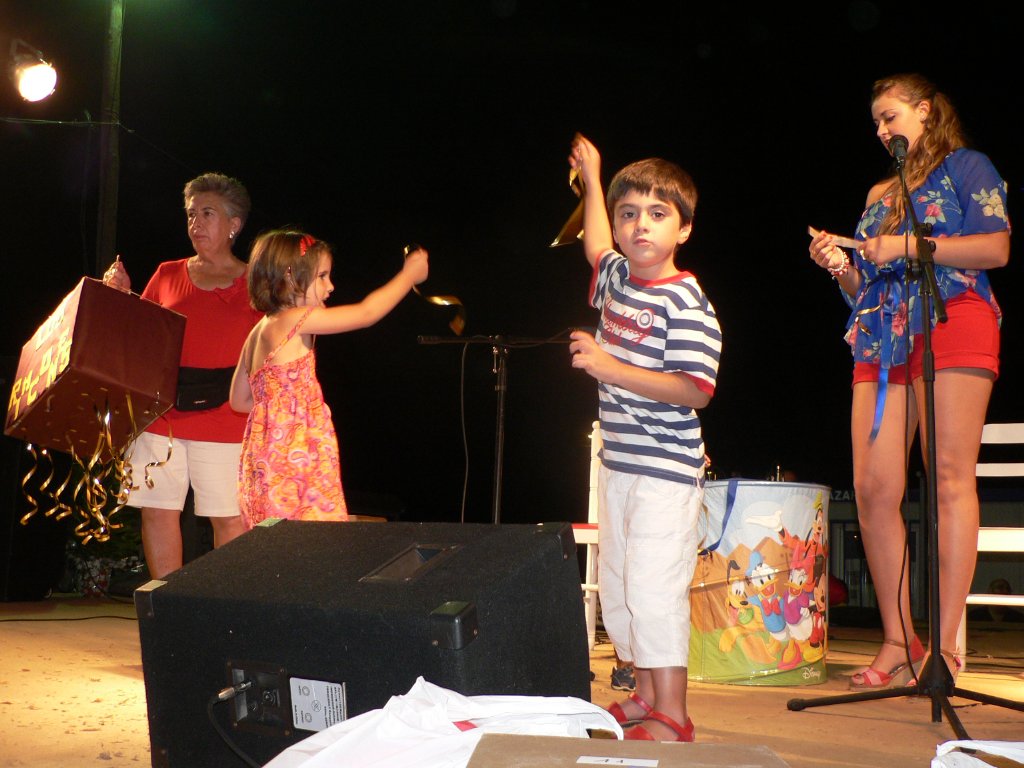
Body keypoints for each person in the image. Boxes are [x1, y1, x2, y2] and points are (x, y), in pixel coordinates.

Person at [809, 73, 1010, 688]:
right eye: (875, 121)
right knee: (873, 488)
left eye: (890, 116)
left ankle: (945, 649)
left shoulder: (968, 167)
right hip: (881, 333)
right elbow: (864, 288)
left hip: (954, 316)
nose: (880, 129)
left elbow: (995, 248)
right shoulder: (879, 193)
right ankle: (899, 640)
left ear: (925, 111)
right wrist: (841, 267)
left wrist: (907, 246)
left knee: (948, 476)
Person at [568, 134, 721, 742]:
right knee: (624, 584)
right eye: (629, 213)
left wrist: (609, 366)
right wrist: (592, 178)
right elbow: (594, 244)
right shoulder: (616, 279)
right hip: (619, 465)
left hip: (664, 472)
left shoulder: (686, 301)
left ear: (684, 229)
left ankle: (673, 714)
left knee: (656, 587)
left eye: (657, 214)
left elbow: (695, 389)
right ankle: (646, 695)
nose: (639, 225)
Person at [104, 172, 261, 579]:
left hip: (227, 416)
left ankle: (226, 606)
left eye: (207, 213)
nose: (195, 223)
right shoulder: (168, 273)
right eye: (191, 214)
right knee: (158, 511)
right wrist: (121, 298)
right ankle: (164, 604)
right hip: (163, 413)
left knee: (230, 518)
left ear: (234, 224)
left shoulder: (257, 283)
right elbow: (140, 336)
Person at [229, 231, 428, 528]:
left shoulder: (257, 332)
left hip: (262, 465)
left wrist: (284, 412)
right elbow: (366, 313)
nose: (331, 286)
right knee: (313, 543)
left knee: (279, 544)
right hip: (294, 466)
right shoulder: (295, 320)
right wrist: (408, 275)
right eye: (322, 276)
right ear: (290, 276)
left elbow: (238, 400)